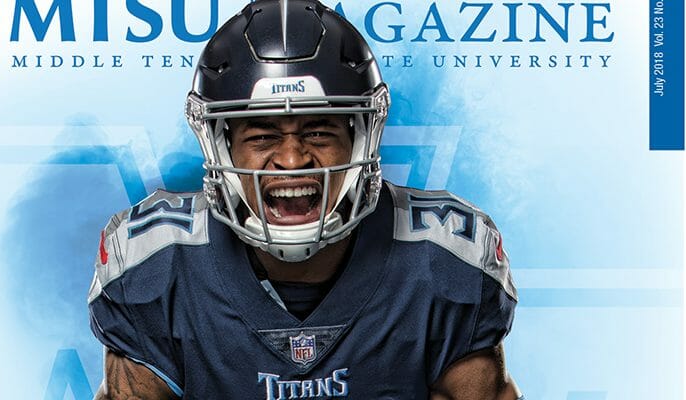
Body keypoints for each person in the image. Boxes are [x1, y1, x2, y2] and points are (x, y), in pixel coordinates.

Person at [88, 0, 522, 399]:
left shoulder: (442, 259)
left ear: (360, 138)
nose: (293, 159)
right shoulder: (155, 266)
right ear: (222, 146)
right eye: (262, 135)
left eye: (318, 131)